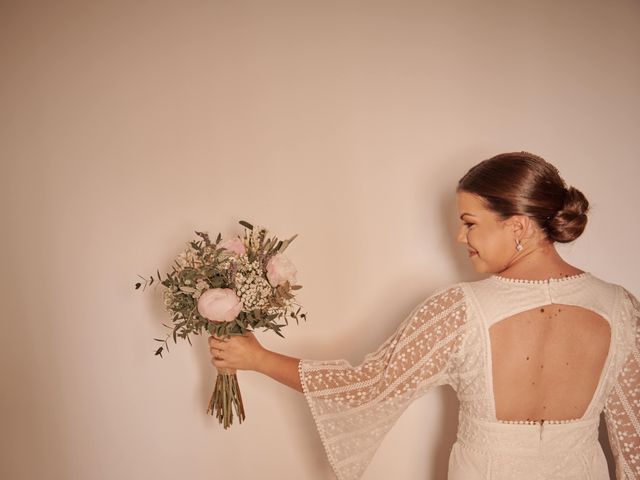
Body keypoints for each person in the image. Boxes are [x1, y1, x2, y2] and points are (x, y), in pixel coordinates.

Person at [208, 152, 639, 480]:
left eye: (470, 222)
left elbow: (368, 388)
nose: (459, 236)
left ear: (518, 226)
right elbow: (633, 437)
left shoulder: (460, 311)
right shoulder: (621, 307)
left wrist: (258, 359)